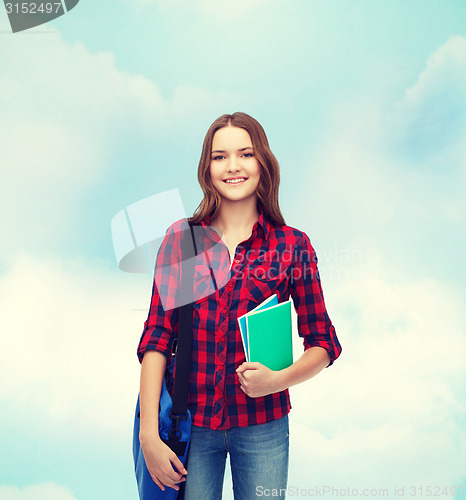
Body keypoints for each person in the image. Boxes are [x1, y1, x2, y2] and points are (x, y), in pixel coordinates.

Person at [136, 112, 342, 499]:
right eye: (220, 156)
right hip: (189, 426)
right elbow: (157, 338)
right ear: (207, 168)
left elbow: (324, 343)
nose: (233, 166)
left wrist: (277, 381)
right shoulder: (182, 239)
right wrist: (149, 432)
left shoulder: (292, 246)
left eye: (245, 154)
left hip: (263, 425)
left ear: (262, 162)